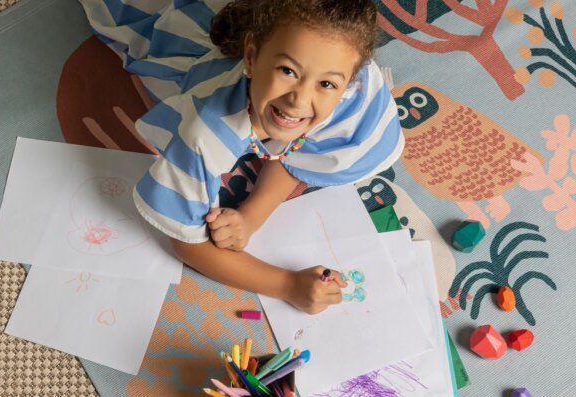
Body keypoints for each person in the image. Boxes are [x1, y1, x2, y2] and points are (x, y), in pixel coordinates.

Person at [81, 0, 403, 314]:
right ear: (251, 56)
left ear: (352, 80)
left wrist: (252, 215)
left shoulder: (349, 73)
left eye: (327, 84)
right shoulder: (205, 131)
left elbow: (308, 155)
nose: (299, 100)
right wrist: (287, 284)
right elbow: (185, 242)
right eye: (287, 71)